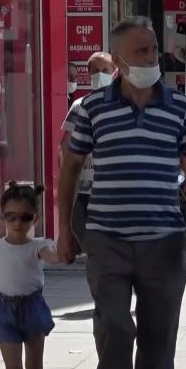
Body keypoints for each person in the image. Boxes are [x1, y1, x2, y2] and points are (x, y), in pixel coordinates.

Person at [57, 16, 186, 369]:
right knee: (114, 327)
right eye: (142, 50)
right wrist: (64, 230)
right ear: (119, 59)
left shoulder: (179, 107)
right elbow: (71, 169)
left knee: (159, 339)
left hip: (163, 240)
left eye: (154, 49)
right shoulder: (92, 108)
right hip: (106, 238)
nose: (151, 57)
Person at [0, 182, 59, 369]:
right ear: (2, 218)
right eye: (11, 216)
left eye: (25, 217)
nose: (18, 222)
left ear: (35, 218)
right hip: (3, 311)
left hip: (32, 308)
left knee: (34, 368)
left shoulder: (38, 246)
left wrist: (64, 250)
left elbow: (53, 258)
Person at [60, 52, 117, 252]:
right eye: (94, 71)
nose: (99, 75)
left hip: (114, 191)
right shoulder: (79, 105)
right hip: (85, 190)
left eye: (104, 71)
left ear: (114, 72)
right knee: (88, 244)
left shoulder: (125, 104)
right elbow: (65, 144)